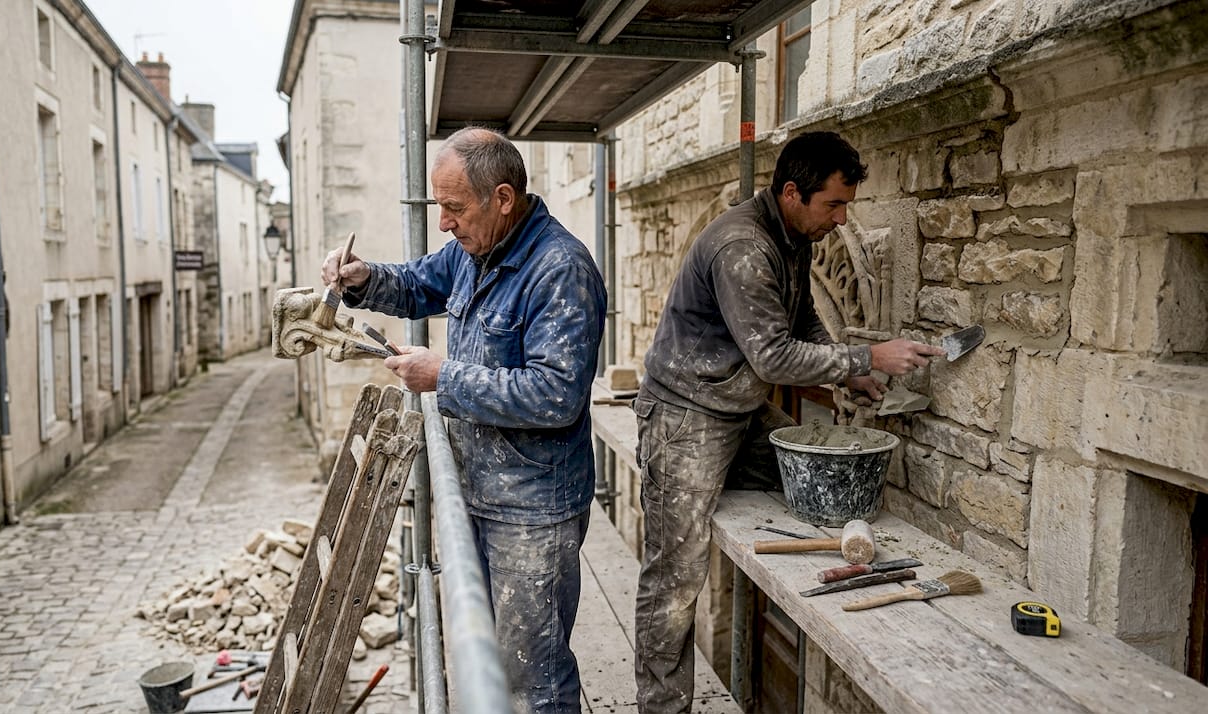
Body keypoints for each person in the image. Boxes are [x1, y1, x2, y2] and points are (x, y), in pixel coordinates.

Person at [631, 131, 944, 712]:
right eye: (834, 204)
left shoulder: (795, 234)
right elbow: (773, 358)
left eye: (847, 205)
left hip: (737, 407)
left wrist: (845, 375)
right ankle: (662, 708)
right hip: (685, 417)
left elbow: (803, 322)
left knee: (815, 479)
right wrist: (867, 358)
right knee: (674, 575)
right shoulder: (743, 247)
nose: (842, 218)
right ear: (793, 192)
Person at [321, 127, 607, 714]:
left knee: (533, 678)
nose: (444, 223)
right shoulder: (474, 250)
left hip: (532, 508)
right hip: (478, 490)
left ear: (502, 199)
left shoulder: (560, 269)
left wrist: (444, 377)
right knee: (491, 661)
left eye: (454, 207)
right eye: (439, 207)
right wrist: (363, 279)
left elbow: (557, 394)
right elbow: (416, 283)